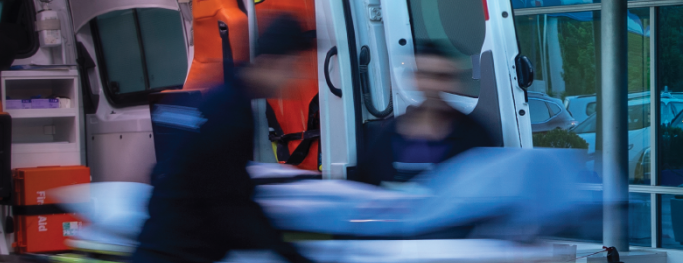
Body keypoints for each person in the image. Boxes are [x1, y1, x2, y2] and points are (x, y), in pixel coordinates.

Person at [130, 19, 321, 263]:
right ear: (272, 62)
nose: (294, 78)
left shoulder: (222, 99)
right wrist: (290, 255)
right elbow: (230, 204)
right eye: (292, 68)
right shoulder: (230, 114)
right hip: (177, 252)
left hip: (165, 244)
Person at [348, 40, 500, 185]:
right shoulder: (389, 134)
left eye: (442, 77)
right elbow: (366, 186)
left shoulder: (476, 135)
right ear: (416, 79)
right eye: (426, 75)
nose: (433, 85)